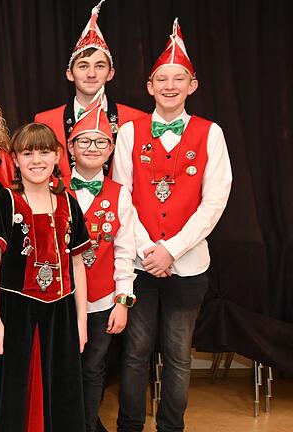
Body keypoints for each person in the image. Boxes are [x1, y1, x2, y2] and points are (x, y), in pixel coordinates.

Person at [111, 19, 232, 432]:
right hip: (140, 266)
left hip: (189, 265)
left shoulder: (210, 133)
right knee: (135, 352)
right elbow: (120, 197)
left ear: (192, 85)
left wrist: (172, 250)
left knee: (178, 355)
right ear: (149, 86)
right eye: (162, 78)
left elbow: (214, 202)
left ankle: (170, 428)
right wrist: (149, 250)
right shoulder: (129, 133)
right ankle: (130, 426)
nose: (169, 85)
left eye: (178, 78)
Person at [0, 122, 90, 432]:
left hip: (62, 311)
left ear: (57, 155)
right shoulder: (5, 201)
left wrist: (81, 321)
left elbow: (78, 264)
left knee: (63, 387)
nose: (36, 160)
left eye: (44, 152)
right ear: (14, 159)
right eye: (27, 153)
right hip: (16, 310)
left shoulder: (69, 202)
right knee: (18, 389)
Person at [64, 89, 138, 432]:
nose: (92, 148)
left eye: (100, 142)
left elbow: (125, 252)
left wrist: (122, 302)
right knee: (62, 368)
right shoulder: (52, 189)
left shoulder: (121, 194)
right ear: (70, 147)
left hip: (102, 301)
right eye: (84, 142)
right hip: (60, 300)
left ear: (110, 150)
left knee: (93, 368)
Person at [33, 0, 145, 183]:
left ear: (111, 73)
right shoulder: (46, 121)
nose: (91, 74)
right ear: (70, 74)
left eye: (100, 66)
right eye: (83, 66)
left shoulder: (135, 119)